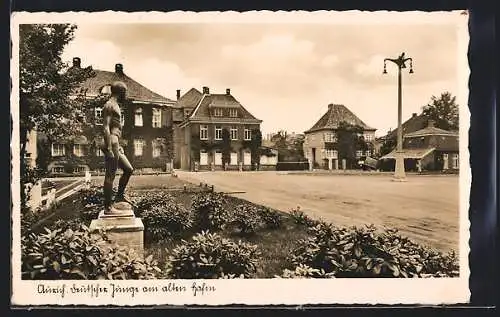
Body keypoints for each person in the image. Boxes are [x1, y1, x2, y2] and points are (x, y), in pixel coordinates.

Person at [102, 81, 134, 214]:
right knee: (110, 175)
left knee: (128, 169)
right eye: (125, 92)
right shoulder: (109, 105)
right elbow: (105, 127)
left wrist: (118, 146)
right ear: (120, 92)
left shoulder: (115, 105)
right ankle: (108, 207)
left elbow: (115, 128)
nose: (125, 95)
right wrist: (109, 148)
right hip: (111, 143)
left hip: (116, 143)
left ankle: (119, 196)